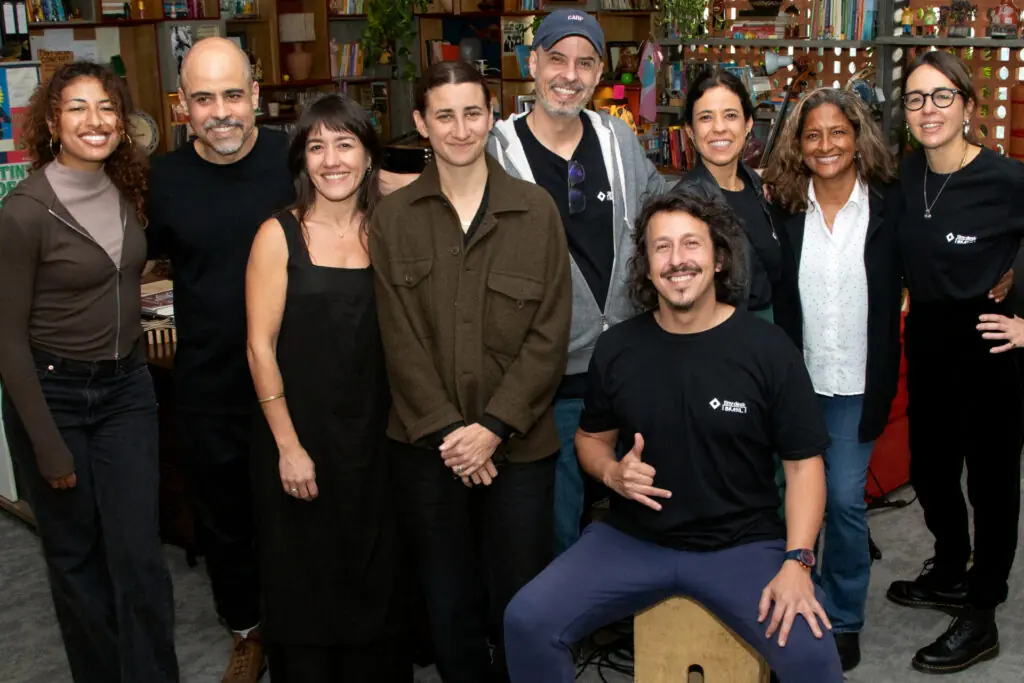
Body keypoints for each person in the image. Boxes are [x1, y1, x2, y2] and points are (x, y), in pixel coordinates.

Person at [503, 189, 842, 683]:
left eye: (691, 244)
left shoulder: (768, 349)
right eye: (661, 247)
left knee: (814, 658)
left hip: (741, 546)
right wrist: (612, 472)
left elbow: (803, 464)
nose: (677, 260)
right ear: (645, 266)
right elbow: (592, 440)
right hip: (633, 542)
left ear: (719, 258)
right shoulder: (618, 348)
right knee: (526, 620)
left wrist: (798, 562)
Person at [370, 61, 572, 683]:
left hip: (520, 448)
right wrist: (454, 436)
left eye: (473, 113)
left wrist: (491, 428)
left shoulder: (536, 212)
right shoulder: (394, 218)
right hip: (426, 451)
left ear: (493, 116)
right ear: (421, 124)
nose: (461, 130)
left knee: (522, 598)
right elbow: (397, 340)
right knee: (447, 597)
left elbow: (549, 336)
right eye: (445, 115)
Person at [0, 61, 178, 682]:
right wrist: (49, 448)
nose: (94, 121)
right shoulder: (23, 212)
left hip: (127, 389)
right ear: (52, 121)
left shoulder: (129, 189)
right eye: (76, 108)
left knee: (139, 558)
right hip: (53, 396)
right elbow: (7, 341)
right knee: (77, 560)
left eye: (105, 107)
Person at [488, 9, 675, 554]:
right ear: (534, 63)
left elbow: (660, 210)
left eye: (585, 63)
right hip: (551, 379)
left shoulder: (616, 138)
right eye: (557, 59)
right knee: (556, 518)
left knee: (642, 499)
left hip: (629, 365)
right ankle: (560, 628)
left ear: (598, 74)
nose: (570, 74)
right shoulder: (496, 152)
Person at [245, 93, 409, 682]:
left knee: (376, 579)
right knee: (306, 586)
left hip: (375, 441)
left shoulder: (389, 230)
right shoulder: (277, 235)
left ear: (369, 156)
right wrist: (289, 447)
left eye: (346, 144)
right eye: (317, 147)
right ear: (301, 161)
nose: (332, 160)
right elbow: (259, 348)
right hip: (300, 442)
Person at [146, 37, 295, 682]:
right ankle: (247, 631)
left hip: (300, 381)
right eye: (203, 99)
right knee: (227, 524)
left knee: (303, 516)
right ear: (182, 107)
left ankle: (306, 628)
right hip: (210, 386)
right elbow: (127, 261)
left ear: (256, 95)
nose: (221, 111)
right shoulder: (165, 179)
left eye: (233, 94)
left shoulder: (299, 156)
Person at [885, 50, 1024, 674]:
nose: (929, 109)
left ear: (968, 105)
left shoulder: (1007, 180)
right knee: (932, 473)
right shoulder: (903, 176)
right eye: (916, 98)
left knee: (991, 487)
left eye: (943, 96)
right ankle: (948, 569)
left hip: (992, 352)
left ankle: (983, 610)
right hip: (930, 346)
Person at [763, 87, 903, 672]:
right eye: (813, 135)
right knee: (787, 498)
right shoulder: (785, 212)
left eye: (837, 132)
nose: (826, 145)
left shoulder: (888, 207)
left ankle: (843, 616)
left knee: (843, 501)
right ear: (799, 143)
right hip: (799, 383)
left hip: (858, 384)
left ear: (857, 137)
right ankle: (792, 600)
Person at [675, 65, 782, 320]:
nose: (719, 128)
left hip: (771, 334)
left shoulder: (756, 185)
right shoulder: (685, 205)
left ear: (748, 124)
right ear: (690, 131)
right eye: (706, 117)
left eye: (731, 115)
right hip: (725, 340)